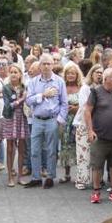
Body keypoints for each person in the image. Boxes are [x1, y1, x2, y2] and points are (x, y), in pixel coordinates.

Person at [83, 67, 112, 204]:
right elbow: (87, 111)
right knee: (97, 166)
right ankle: (96, 191)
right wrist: (90, 130)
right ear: (106, 79)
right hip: (99, 137)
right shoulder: (96, 92)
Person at [25, 55, 67, 188]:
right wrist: (43, 95)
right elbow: (28, 100)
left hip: (52, 120)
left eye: (49, 63)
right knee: (34, 150)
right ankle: (36, 177)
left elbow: (64, 103)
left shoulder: (59, 82)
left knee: (51, 150)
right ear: (40, 66)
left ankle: (50, 176)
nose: (46, 66)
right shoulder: (33, 82)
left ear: (53, 65)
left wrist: (59, 120)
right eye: (44, 64)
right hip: (37, 120)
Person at [0, 63, 30, 187]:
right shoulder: (6, 88)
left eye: (15, 72)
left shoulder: (24, 87)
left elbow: (29, 102)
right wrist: (21, 100)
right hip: (10, 118)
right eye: (11, 72)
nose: (13, 74)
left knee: (22, 148)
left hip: (22, 118)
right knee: (10, 147)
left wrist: (24, 100)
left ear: (20, 74)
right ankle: (9, 177)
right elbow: (8, 106)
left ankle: (20, 177)